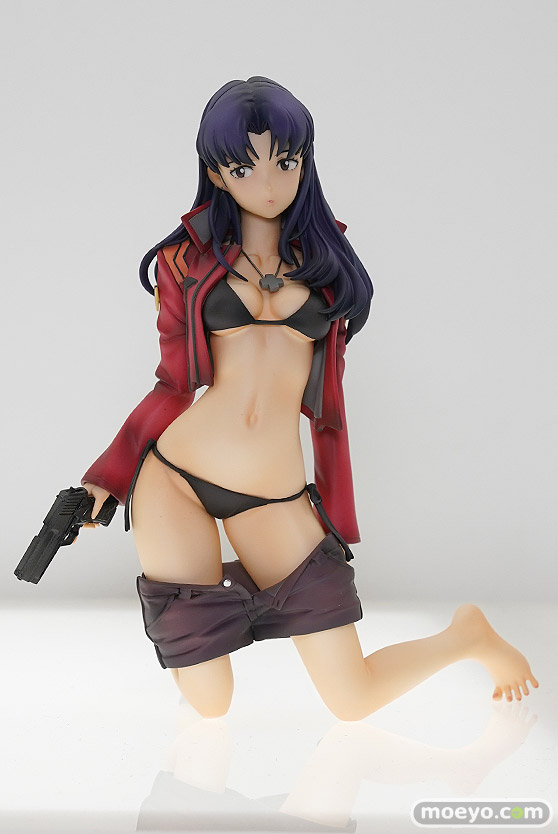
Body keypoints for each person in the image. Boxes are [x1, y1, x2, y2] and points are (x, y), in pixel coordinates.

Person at [80, 77, 538, 720]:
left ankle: (467, 636)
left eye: (286, 161)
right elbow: (172, 386)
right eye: (244, 167)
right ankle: (195, 655)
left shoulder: (327, 267)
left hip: (275, 494)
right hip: (176, 479)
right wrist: (105, 478)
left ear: (306, 161)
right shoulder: (185, 263)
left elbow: (329, 406)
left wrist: (335, 505)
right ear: (216, 172)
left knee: (353, 698)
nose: (268, 184)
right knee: (211, 704)